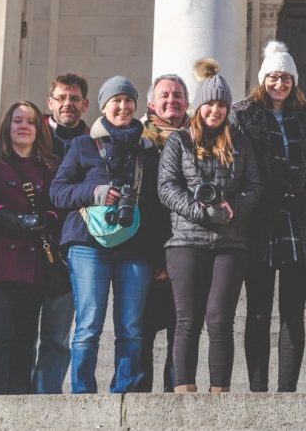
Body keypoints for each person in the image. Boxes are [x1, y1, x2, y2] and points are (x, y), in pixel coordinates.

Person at [49, 75, 167, 393]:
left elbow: (157, 210)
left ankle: (124, 392)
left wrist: (159, 257)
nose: (124, 106)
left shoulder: (148, 151)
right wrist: (96, 191)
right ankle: (83, 393)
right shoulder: (82, 145)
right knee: (88, 325)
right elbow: (58, 193)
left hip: (137, 247)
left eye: (129, 100)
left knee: (130, 327)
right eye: (116, 100)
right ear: (103, 106)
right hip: (87, 244)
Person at [159, 59, 262, 393]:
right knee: (186, 321)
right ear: (198, 106)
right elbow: (166, 187)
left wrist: (233, 209)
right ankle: (184, 391)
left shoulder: (241, 143)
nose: (215, 110)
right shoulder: (179, 142)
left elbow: (254, 186)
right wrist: (200, 212)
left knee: (220, 320)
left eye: (221, 104)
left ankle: (220, 394)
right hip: (185, 242)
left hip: (230, 243)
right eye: (209, 104)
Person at [231, 41, 306, 393]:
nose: (280, 83)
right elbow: (236, 166)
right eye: (273, 76)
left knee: (293, 311)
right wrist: (260, 190)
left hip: (297, 222)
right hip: (259, 220)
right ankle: (258, 389)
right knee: (257, 310)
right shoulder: (242, 117)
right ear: (263, 79)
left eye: (286, 77)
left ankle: (287, 390)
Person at [0, 101, 62, 395]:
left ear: (38, 129)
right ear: (7, 126)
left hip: (32, 266)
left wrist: (46, 218)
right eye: (17, 120)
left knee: (25, 336)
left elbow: (60, 207)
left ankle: (19, 403)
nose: (23, 126)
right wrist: (0, 214)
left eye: (30, 121)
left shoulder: (50, 166)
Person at [33, 72, 89, 393]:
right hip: (30, 245)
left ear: (84, 104)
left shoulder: (93, 142)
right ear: (50, 102)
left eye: (74, 98)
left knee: (56, 336)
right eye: (61, 98)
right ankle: (19, 398)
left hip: (69, 249)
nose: (67, 104)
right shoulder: (32, 134)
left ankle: (45, 399)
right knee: (24, 333)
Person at [135, 73, 188, 392]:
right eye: (165, 95)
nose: (172, 100)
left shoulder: (202, 139)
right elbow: (148, 202)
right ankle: (139, 403)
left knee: (181, 331)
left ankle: (175, 402)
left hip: (188, 250)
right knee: (140, 331)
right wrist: (157, 256)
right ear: (151, 103)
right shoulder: (140, 141)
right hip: (147, 251)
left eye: (179, 95)